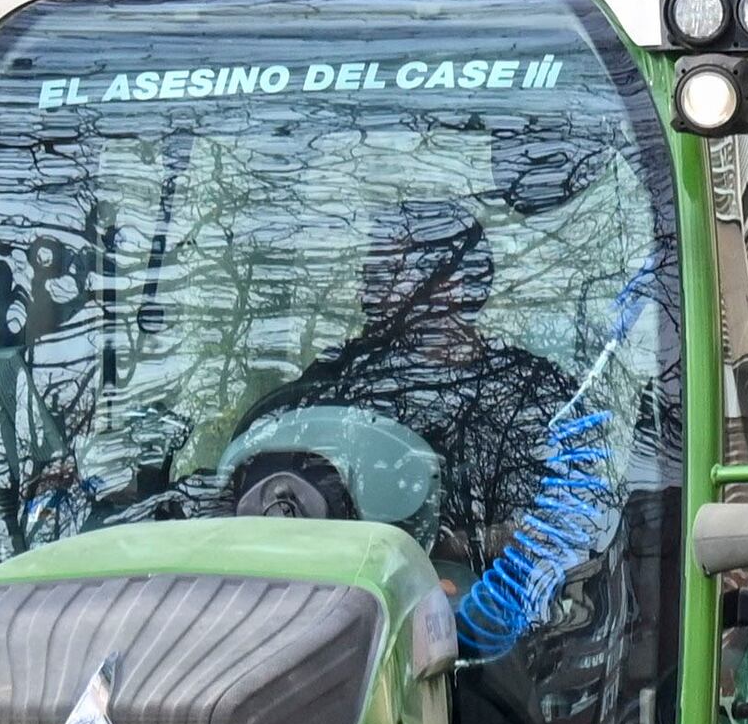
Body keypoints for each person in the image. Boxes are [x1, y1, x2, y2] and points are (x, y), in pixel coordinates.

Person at [239, 198, 579, 562]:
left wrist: (469, 545)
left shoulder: (530, 393)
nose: (365, 297)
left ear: (453, 285)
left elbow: (567, 523)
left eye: (385, 277)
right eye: (369, 278)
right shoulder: (335, 380)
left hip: (491, 610)